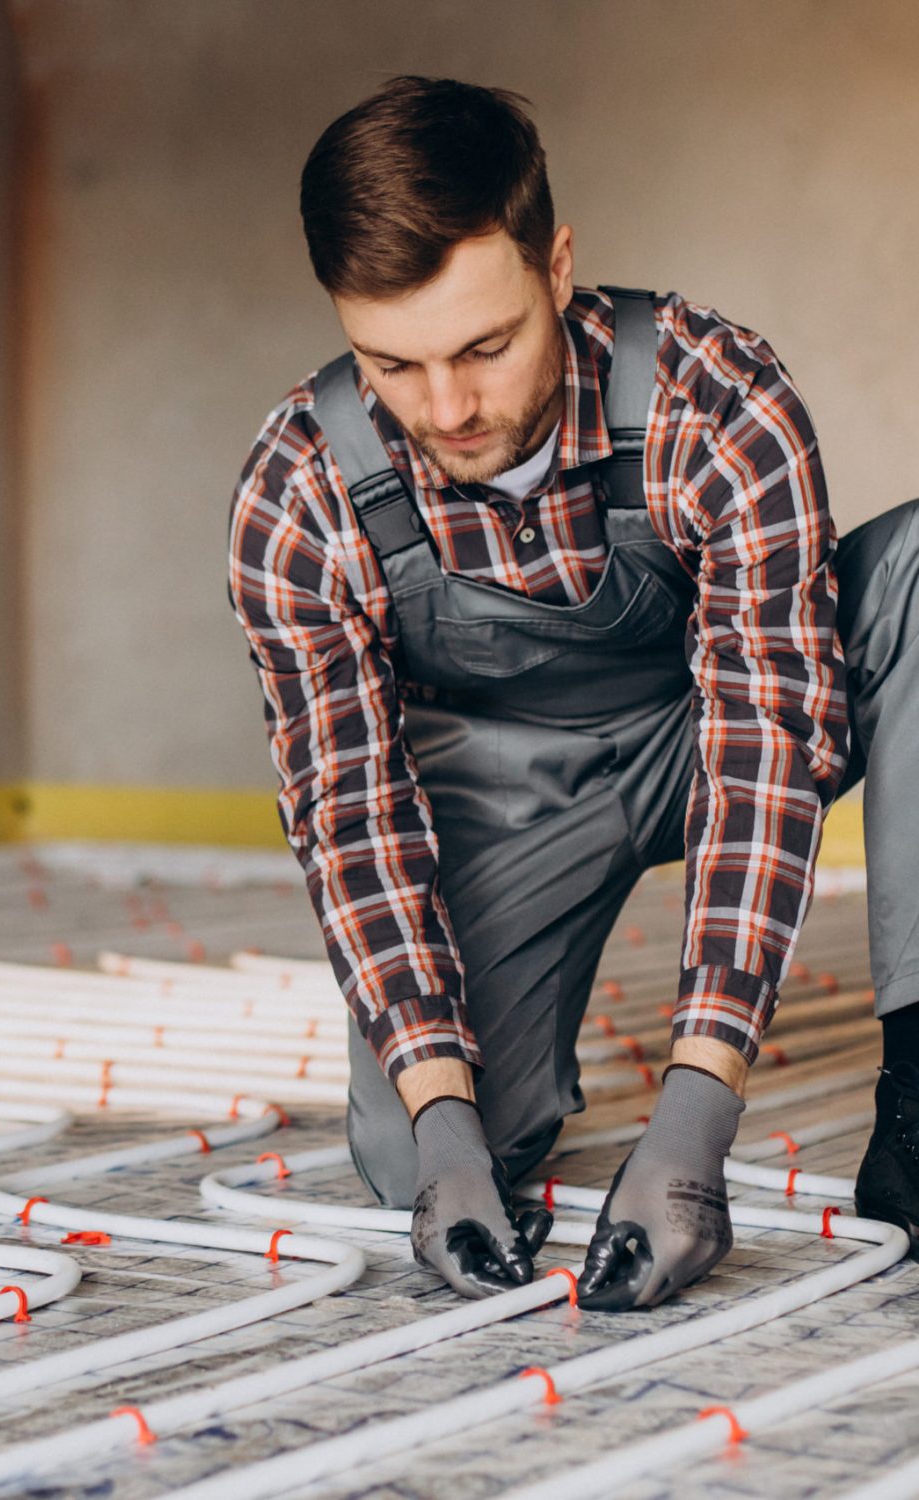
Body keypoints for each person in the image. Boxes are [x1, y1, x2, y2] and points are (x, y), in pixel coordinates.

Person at [227, 75, 919, 1309]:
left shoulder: (714, 397)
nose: (446, 410)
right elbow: (355, 824)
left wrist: (698, 1119)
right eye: (394, 363)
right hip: (505, 800)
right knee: (409, 1158)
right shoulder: (298, 495)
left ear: (556, 267)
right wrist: (441, 1118)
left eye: (485, 347)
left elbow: (766, 739)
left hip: (706, 729)